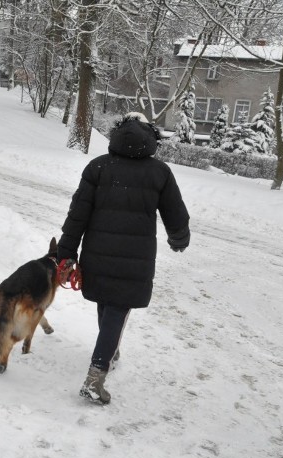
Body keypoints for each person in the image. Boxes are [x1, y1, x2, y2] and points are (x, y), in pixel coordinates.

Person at [57, 112, 190, 405]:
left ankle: (111, 351)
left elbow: (76, 215)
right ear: (151, 138)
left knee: (107, 301)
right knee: (117, 307)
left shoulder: (98, 167)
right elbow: (176, 214)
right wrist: (179, 238)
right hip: (135, 259)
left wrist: (66, 253)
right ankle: (96, 376)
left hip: (97, 253)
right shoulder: (159, 172)